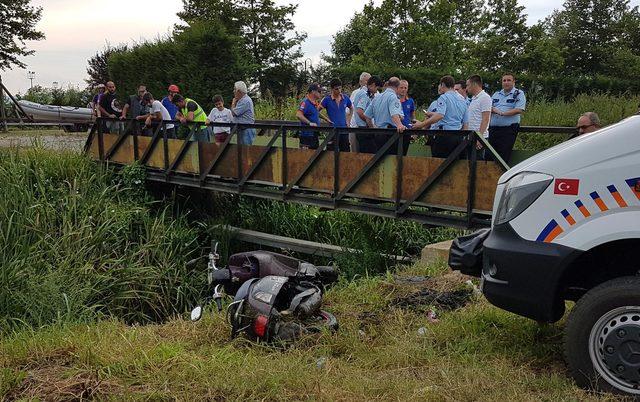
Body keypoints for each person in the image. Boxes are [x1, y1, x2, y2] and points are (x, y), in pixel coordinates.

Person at [413, 75, 468, 158]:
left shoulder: (443, 97)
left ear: (442, 84)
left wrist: (421, 125)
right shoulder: (462, 100)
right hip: (458, 136)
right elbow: (465, 122)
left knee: (439, 164)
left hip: (444, 136)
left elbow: (439, 116)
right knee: (456, 166)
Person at [489, 73, 526, 163]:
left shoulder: (519, 94)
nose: (506, 82)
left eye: (509, 80)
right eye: (504, 80)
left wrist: (502, 113)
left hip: (508, 130)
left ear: (513, 82)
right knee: (489, 155)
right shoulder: (496, 94)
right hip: (493, 129)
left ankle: (501, 176)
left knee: (503, 156)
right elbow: (488, 107)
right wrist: (493, 109)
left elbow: (519, 109)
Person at [364, 76, 406, 154]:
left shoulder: (377, 97)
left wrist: (373, 128)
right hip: (389, 135)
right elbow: (394, 114)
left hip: (378, 134)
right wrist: (400, 125)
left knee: (379, 159)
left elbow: (367, 116)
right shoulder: (393, 97)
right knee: (392, 160)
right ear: (397, 87)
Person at [319, 78, 353, 152]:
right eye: (336, 89)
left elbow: (351, 108)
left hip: (344, 130)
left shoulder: (345, 98)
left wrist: (348, 120)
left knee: (345, 154)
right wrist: (326, 119)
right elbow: (316, 111)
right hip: (332, 131)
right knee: (330, 153)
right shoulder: (326, 99)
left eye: (340, 88)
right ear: (332, 89)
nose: (339, 91)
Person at [465, 75, 492, 158]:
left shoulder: (485, 98)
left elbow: (486, 119)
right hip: (472, 136)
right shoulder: (474, 98)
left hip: (479, 137)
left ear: (474, 84)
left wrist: (479, 138)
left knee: (477, 165)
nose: (466, 88)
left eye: (467, 85)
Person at [353, 75, 383, 153]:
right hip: (364, 129)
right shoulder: (364, 94)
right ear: (372, 85)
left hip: (365, 128)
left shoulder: (367, 94)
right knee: (370, 154)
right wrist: (370, 124)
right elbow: (359, 111)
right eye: (377, 88)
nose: (376, 91)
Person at [296, 83, 323, 150]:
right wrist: (309, 123)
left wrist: (327, 119)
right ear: (313, 91)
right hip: (306, 135)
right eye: (319, 91)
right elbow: (299, 115)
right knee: (305, 157)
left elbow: (315, 113)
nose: (321, 93)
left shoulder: (315, 103)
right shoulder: (305, 102)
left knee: (315, 156)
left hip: (314, 134)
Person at [349, 72, 371, 151]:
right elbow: (349, 110)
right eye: (366, 81)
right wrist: (348, 124)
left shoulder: (376, 93)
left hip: (368, 127)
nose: (368, 83)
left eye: (369, 80)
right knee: (355, 152)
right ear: (360, 82)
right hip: (355, 127)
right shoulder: (354, 93)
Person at [231, 81, 256, 145]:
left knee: (246, 152)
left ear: (239, 91)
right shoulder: (242, 100)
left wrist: (233, 102)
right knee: (242, 152)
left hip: (247, 130)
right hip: (243, 130)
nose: (233, 91)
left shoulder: (245, 101)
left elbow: (233, 113)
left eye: (235, 89)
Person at [398, 79, 416, 155]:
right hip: (396, 130)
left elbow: (413, 117)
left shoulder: (410, 101)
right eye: (401, 87)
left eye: (405, 88)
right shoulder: (394, 100)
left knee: (404, 153)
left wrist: (414, 131)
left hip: (407, 131)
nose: (403, 90)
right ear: (397, 88)